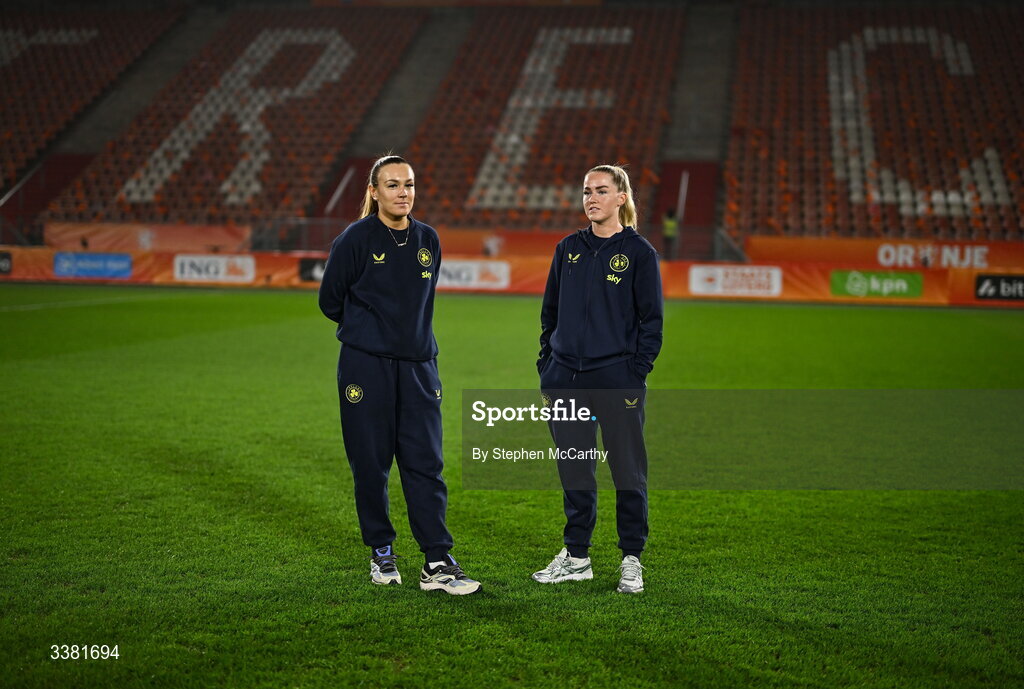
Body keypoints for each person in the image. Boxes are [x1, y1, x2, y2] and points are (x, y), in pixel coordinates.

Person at [318, 154, 480, 595]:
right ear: (373, 192)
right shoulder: (355, 239)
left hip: (419, 367)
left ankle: (436, 560)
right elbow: (330, 300)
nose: (402, 192)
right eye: (392, 185)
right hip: (364, 366)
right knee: (371, 464)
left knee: (426, 464)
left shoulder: (428, 238)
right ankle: (382, 551)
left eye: (408, 184)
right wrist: (367, 333)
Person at [533, 164, 664, 594]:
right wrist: (547, 367)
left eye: (601, 190)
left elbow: (652, 322)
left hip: (617, 380)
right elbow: (549, 314)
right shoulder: (567, 248)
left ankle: (631, 558)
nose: (591, 198)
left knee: (627, 469)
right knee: (575, 468)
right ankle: (577, 556)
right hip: (565, 379)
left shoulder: (639, 253)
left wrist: (635, 372)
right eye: (587, 191)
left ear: (621, 198)